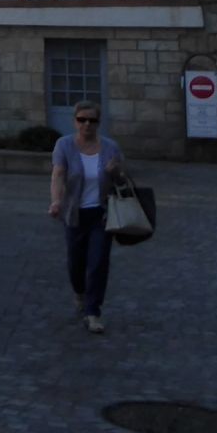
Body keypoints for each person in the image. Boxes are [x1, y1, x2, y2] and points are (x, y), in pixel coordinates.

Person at [49, 101, 125, 333]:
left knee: (98, 263)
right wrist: (56, 201)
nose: (87, 124)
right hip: (74, 213)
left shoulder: (111, 147)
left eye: (92, 120)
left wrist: (116, 172)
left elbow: (123, 180)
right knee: (76, 263)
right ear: (75, 121)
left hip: (101, 214)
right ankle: (80, 293)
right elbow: (58, 174)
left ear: (98, 123)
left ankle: (93, 312)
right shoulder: (64, 145)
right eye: (82, 120)